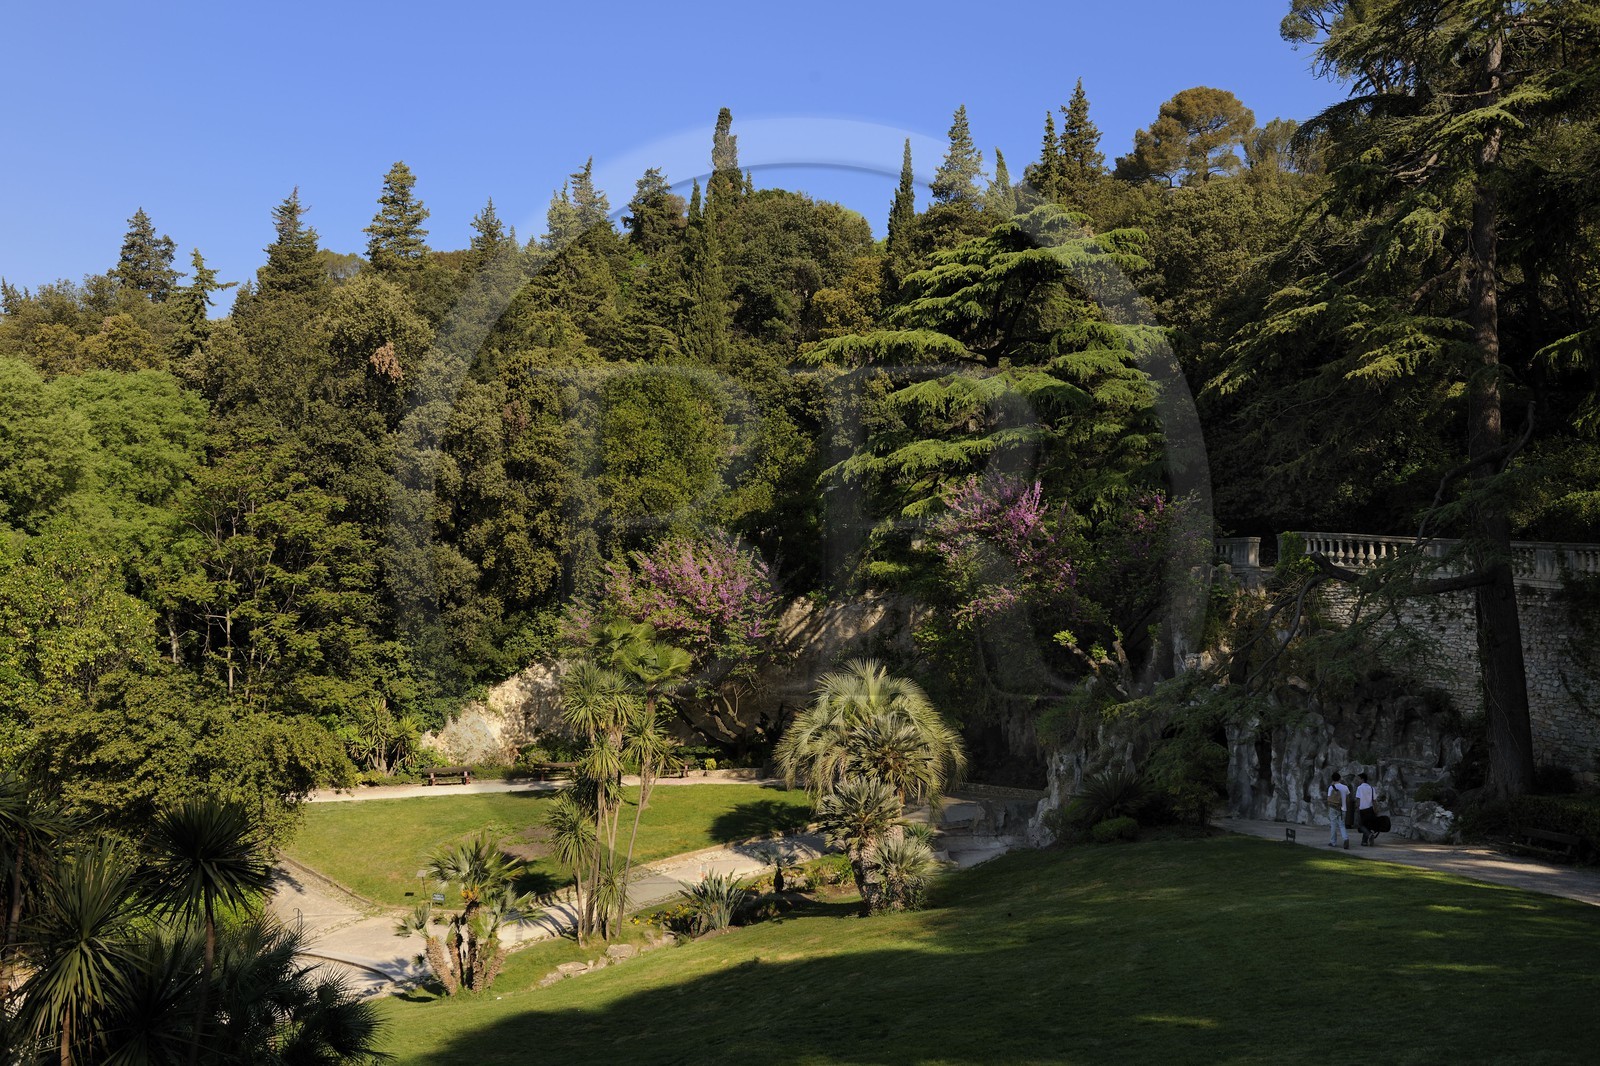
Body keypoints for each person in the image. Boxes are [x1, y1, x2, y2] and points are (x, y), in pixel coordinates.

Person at [1326, 772, 1350, 849]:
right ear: (1340, 778)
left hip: (1333, 808)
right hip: (1343, 808)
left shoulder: (1331, 787)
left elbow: (1329, 799)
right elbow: (1348, 799)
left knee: (1333, 825)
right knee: (1342, 825)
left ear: (1332, 779)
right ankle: (1345, 838)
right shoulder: (1345, 787)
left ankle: (1333, 842)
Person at [1356, 772, 1380, 846]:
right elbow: (1374, 800)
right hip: (1370, 809)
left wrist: (1357, 807)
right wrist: (1376, 810)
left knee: (1360, 825)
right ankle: (1364, 842)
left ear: (1362, 779)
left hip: (1362, 809)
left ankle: (1369, 835)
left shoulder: (1359, 788)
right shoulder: (1371, 788)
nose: (1358, 780)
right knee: (1367, 825)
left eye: (1359, 779)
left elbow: (1358, 799)